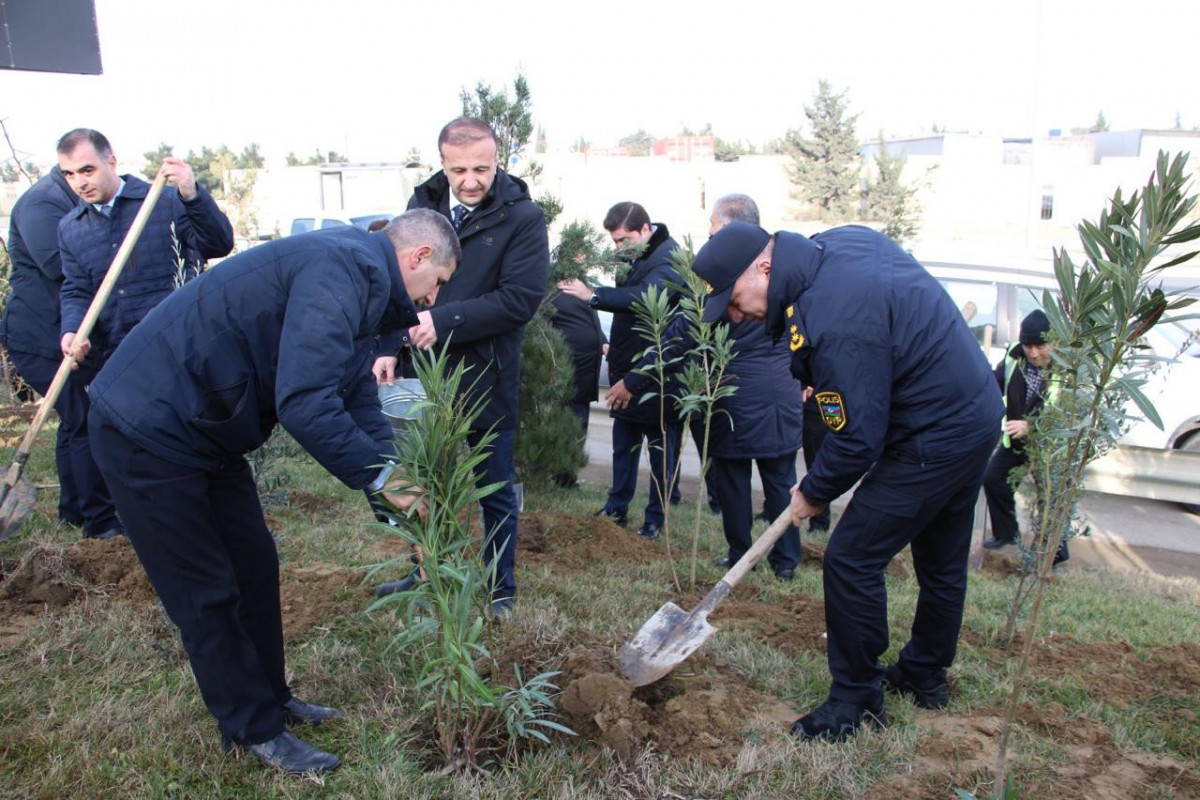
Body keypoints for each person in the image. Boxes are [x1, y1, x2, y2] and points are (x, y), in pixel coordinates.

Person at [84, 209, 459, 774]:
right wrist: (383, 480)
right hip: (147, 428)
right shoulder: (341, 268)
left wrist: (394, 494)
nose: (433, 299)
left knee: (255, 566)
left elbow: (354, 394)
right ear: (419, 256)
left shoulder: (362, 282)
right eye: (439, 283)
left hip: (204, 428)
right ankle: (252, 729)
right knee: (206, 591)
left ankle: (273, 700)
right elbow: (305, 402)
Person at [692, 222, 1003, 742]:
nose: (735, 314)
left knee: (851, 557)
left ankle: (856, 700)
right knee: (942, 557)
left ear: (764, 267)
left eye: (734, 299)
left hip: (935, 432)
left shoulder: (835, 320)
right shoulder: (832, 247)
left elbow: (857, 439)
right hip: (974, 410)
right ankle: (924, 675)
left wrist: (813, 492)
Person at [374, 117, 549, 617]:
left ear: (498, 160)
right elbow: (397, 281)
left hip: (485, 377)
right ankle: (426, 573)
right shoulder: (422, 205)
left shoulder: (522, 218)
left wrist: (443, 319)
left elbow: (520, 300)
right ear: (443, 164)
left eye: (481, 169)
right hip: (422, 373)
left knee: (494, 490)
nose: (470, 181)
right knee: (422, 479)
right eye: (458, 170)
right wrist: (389, 344)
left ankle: (500, 589)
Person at [0, 165, 116, 536]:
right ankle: (100, 522)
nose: (84, 182)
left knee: (74, 419)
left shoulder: (70, 201)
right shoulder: (41, 205)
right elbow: (60, 267)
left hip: (56, 333)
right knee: (84, 418)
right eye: (75, 172)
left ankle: (74, 510)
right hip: (37, 336)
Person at [56, 128, 234, 370]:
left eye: (88, 170)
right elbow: (77, 289)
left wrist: (193, 195)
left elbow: (219, 244)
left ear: (111, 162)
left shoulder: (165, 202)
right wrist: (72, 330)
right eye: (69, 174)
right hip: (122, 358)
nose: (80, 183)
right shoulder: (70, 228)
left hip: (184, 347)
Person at [558, 202, 681, 539]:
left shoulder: (668, 258)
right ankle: (616, 508)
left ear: (645, 229)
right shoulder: (634, 256)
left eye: (624, 240)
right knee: (623, 446)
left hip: (658, 375)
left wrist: (592, 295)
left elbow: (642, 298)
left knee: (661, 453)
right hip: (626, 370)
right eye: (614, 241)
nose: (618, 247)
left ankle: (655, 518)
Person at [704, 194, 803, 580]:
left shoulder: (732, 275)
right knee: (781, 481)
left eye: (714, 226)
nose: (710, 233)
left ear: (732, 228)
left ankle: (740, 554)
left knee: (734, 481)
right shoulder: (781, 270)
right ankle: (786, 561)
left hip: (737, 391)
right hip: (780, 390)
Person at [982, 309, 1069, 566]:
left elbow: (1065, 414)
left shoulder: (1067, 368)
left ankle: (1053, 554)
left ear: (1053, 343)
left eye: (1040, 346)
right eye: (1028, 346)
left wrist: (1031, 427)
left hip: (1051, 447)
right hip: (1017, 442)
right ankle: (1007, 534)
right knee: (994, 479)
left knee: (1049, 498)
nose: (1033, 353)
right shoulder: (1014, 357)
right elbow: (994, 385)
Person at [548, 289, 607, 488]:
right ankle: (562, 478)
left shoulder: (581, 288)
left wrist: (602, 341)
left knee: (579, 426)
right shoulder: (551, 290)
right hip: (564, 373)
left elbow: (591, 322)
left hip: (586, 375)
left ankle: (568, 477)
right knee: (568, 426)